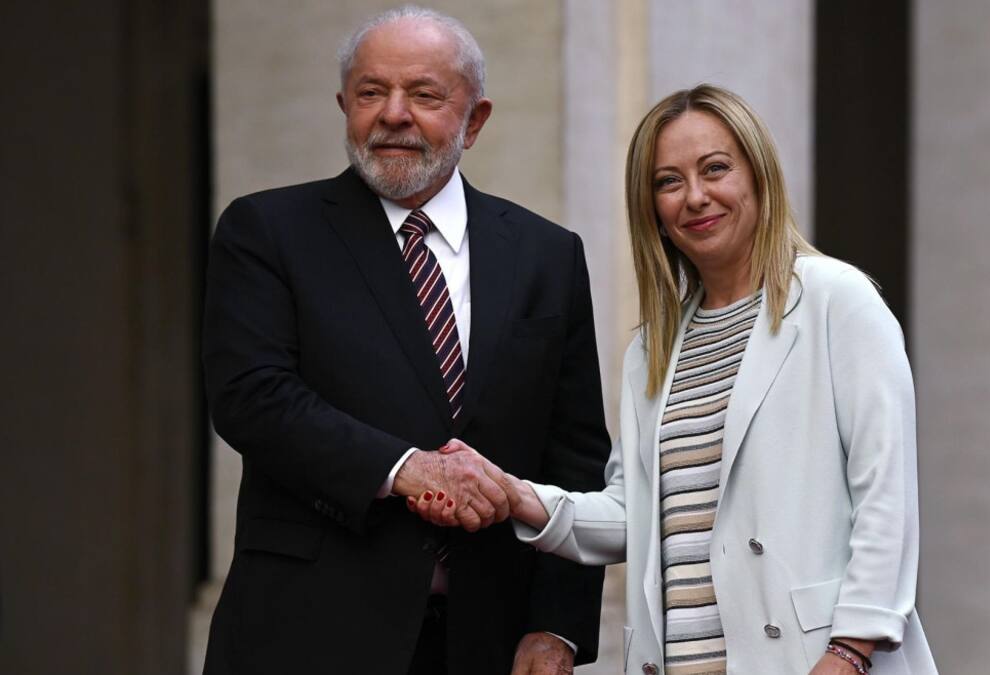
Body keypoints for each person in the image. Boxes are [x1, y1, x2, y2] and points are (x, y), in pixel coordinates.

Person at [412, 84, 938, 674]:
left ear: (759, 177)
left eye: (716, 169)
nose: (695, 197)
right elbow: (633, 517)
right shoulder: (653, 348)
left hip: (814, 660)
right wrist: (516, 495)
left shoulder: (835, 302)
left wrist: (849, 651)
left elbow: (885, 497)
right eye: (668, 182)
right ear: (652, 210)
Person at [201, 6, 610, 675]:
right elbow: (252, 396)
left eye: (424, 94)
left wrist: (556, 625)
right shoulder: (269, 232)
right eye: (371, 92)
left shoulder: (546, 255)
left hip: (488, 641)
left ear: (474, 120)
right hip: (308, 633)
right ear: (344, 106)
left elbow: (577, 452)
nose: (393, 113)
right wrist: (404, 468)